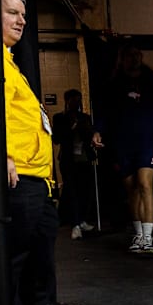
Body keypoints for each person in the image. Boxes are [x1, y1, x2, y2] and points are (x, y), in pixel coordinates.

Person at [2, 0, 72, 305]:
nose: (21, 21)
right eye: (12, 13)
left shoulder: (11, 62)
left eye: (23, 15)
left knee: (41, 243)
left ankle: (39, 304)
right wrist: (3, 156)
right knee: (13, 255)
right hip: (19, 174)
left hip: (39, 176)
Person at [92, 44, 153, 256]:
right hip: (123, 144)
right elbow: (104, 112)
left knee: (145, 184)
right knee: (132, 189)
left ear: (141, 57)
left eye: (137, 55)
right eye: (129, 56)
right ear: (122, 59)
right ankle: (137, 234)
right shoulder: (114, 85)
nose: (133, 59)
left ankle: (148, 237)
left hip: (149, 142)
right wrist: (97, 130)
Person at [52, 89, 96, 240]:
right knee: (72, 191)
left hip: (84, 158)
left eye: (78, 101)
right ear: (67, 101)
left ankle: (82, 219)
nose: (76, 104)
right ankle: (75, 223)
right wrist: (71, 128)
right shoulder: (60, 118)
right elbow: (56, 138)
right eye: (74, 101)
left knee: (85, 190)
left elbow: (90, 136)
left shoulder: (85, 118)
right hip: (68, 159)